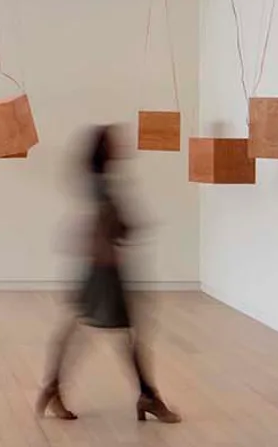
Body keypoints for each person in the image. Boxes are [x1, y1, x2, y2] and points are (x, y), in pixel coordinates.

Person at [37, 125, 180, 424]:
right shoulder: (101, 185)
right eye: (116, 143)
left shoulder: (99, 182)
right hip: (105, 270)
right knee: (126, 334)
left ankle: (53, 388)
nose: (123, 147)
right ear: (105, 149)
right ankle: (148, 396)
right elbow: (110, 224)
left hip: (101, 267)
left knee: (87, 329)